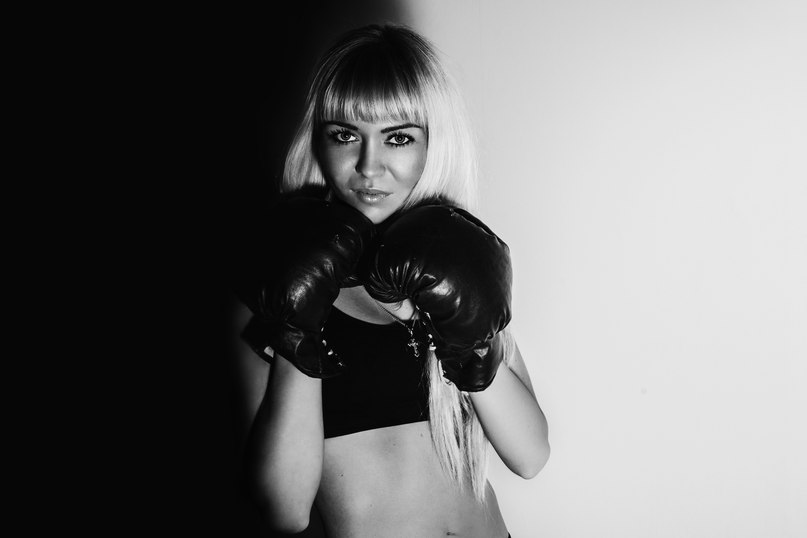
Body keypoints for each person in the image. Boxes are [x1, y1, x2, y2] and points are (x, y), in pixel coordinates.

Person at [229, 24, 550, 537]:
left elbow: (530, 455)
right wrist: (298, 329)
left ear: (432, 143)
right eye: (344, 134)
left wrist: (467, 344)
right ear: (318, 140)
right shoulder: (271, 284)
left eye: (398, 137)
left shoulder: (455, 263)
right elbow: (285, 510)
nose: (368, 166)